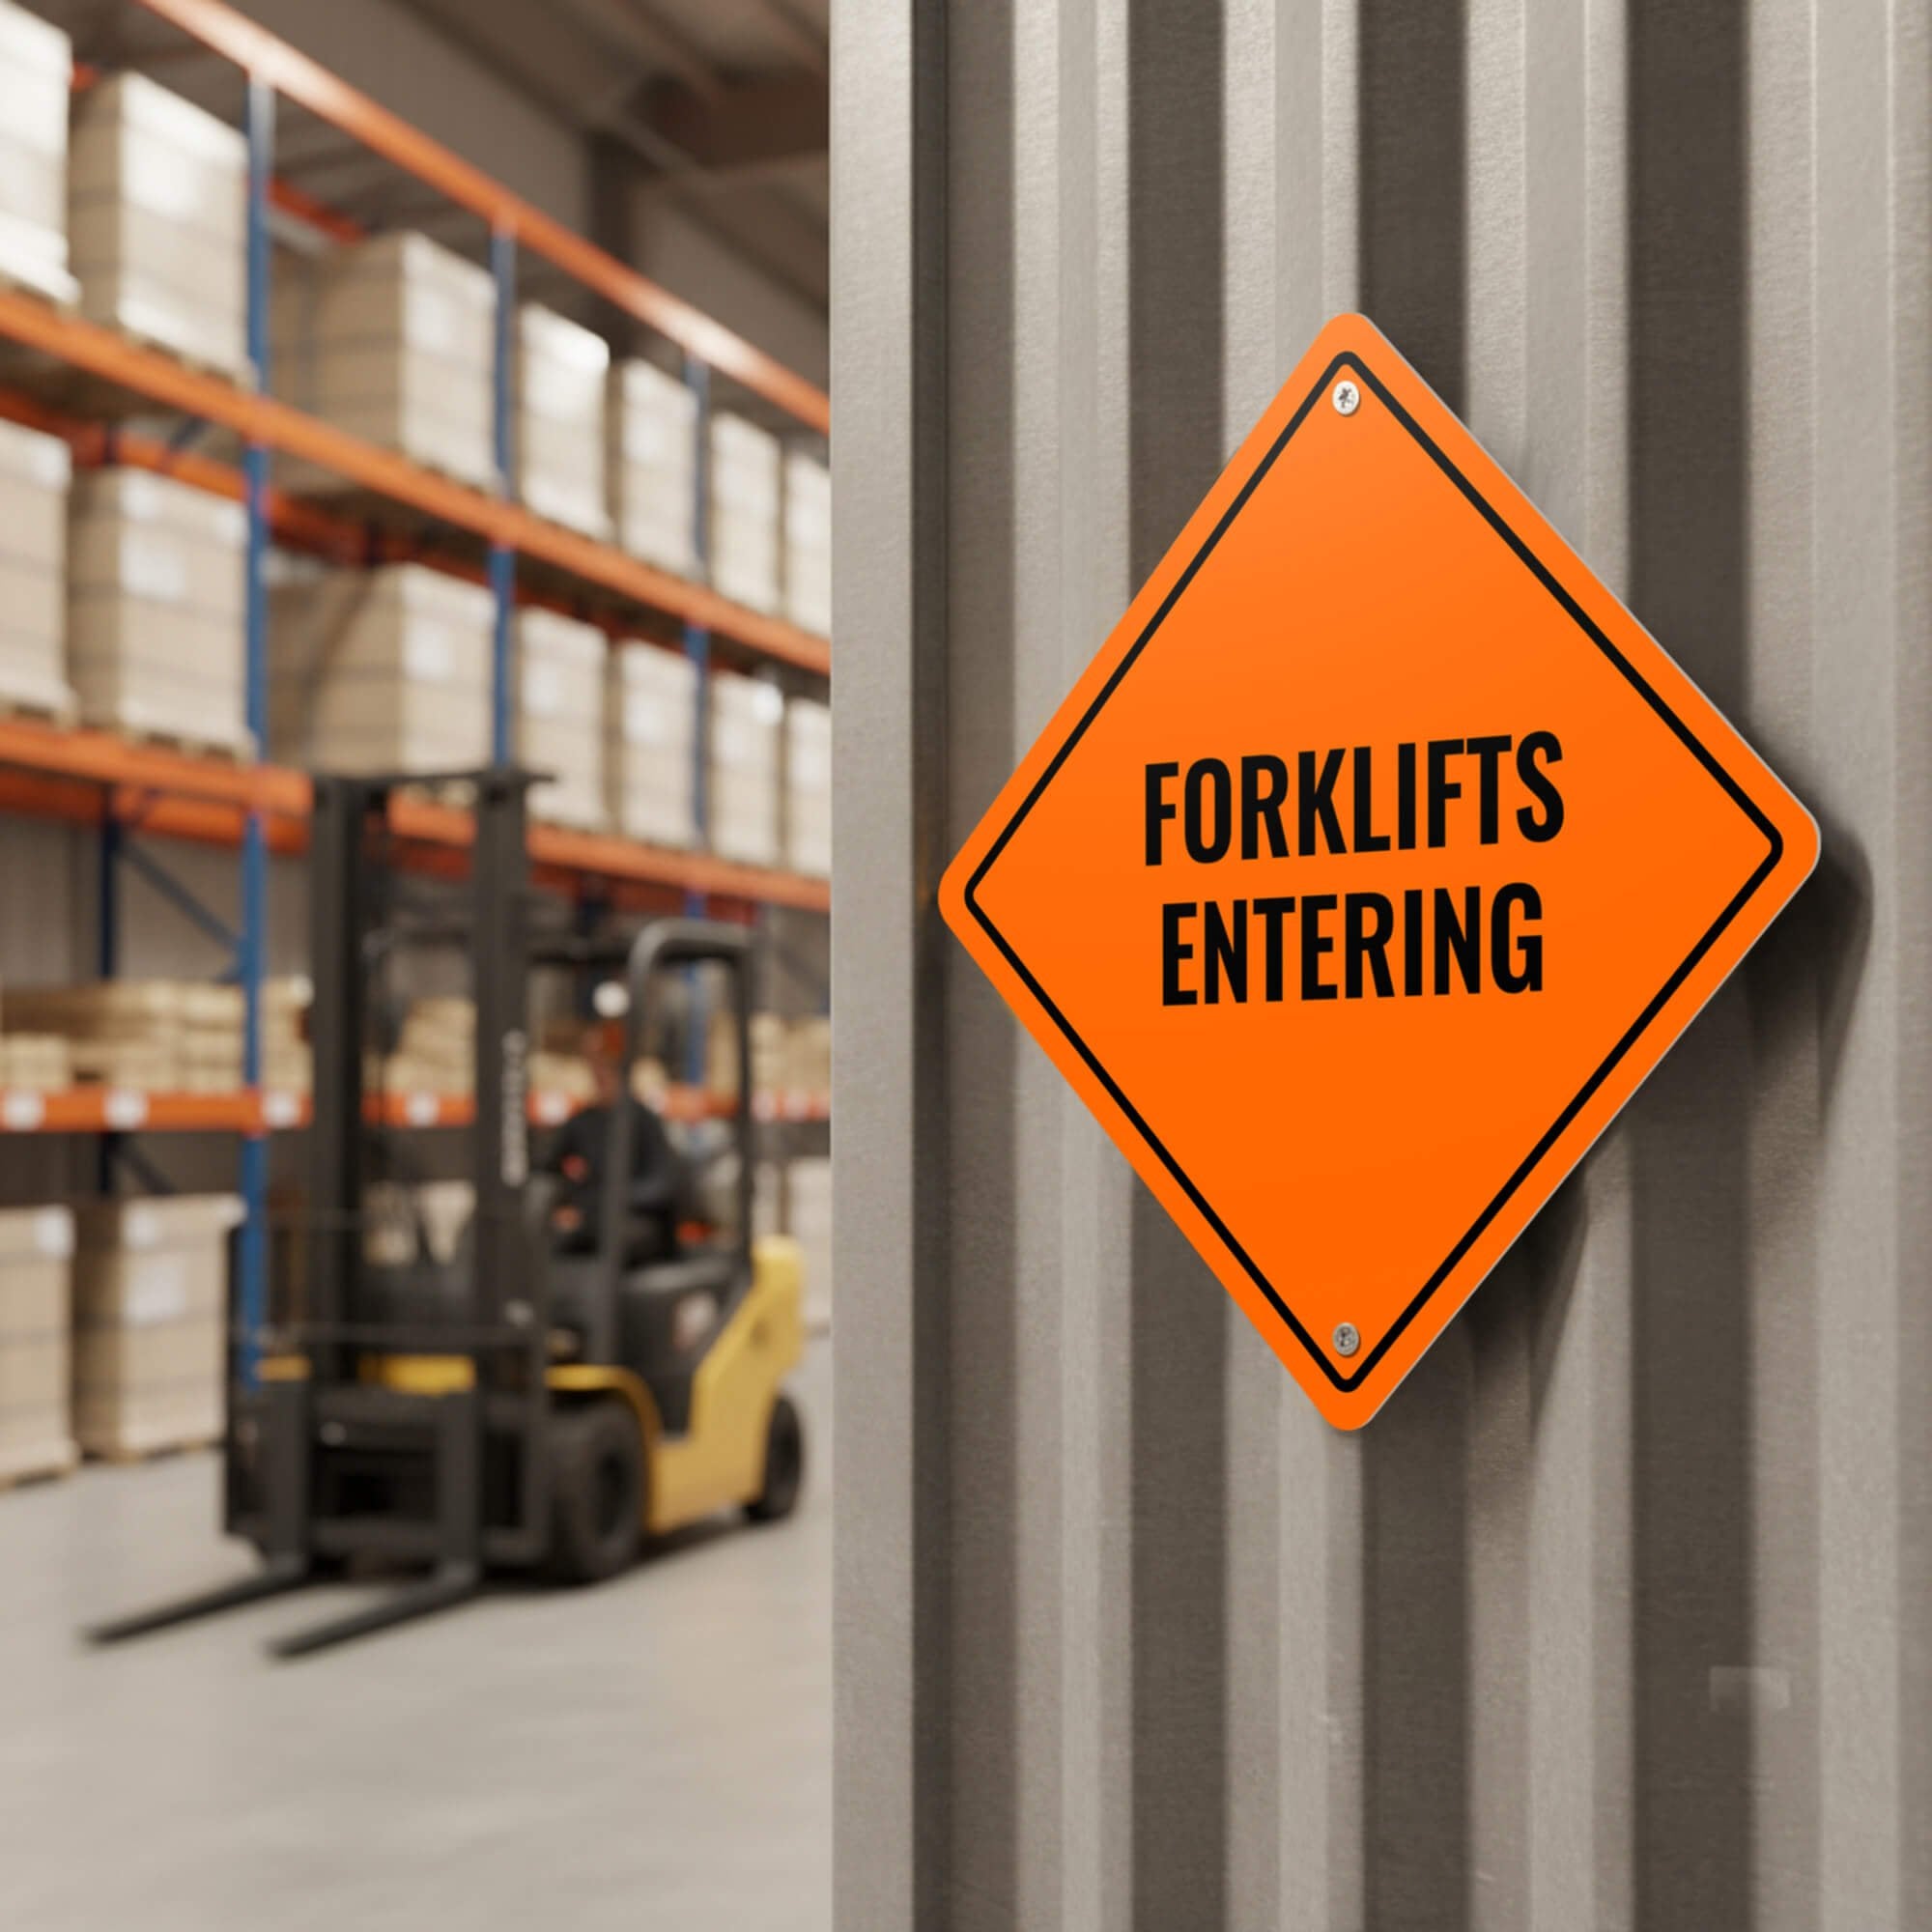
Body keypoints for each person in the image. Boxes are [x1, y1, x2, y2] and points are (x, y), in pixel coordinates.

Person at [542, 1022, 688, 1265]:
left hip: (636, 1219)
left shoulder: (643, 1120)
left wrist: (606, 1200)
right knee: (548, 1239)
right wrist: (561, 1201)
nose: (599, 1073)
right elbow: (548, 1169)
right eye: (594, 1065)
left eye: (606, 1066)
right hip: (595, 1217)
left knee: (614, 1236)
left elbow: (662, 1185)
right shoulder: (582, 1122)